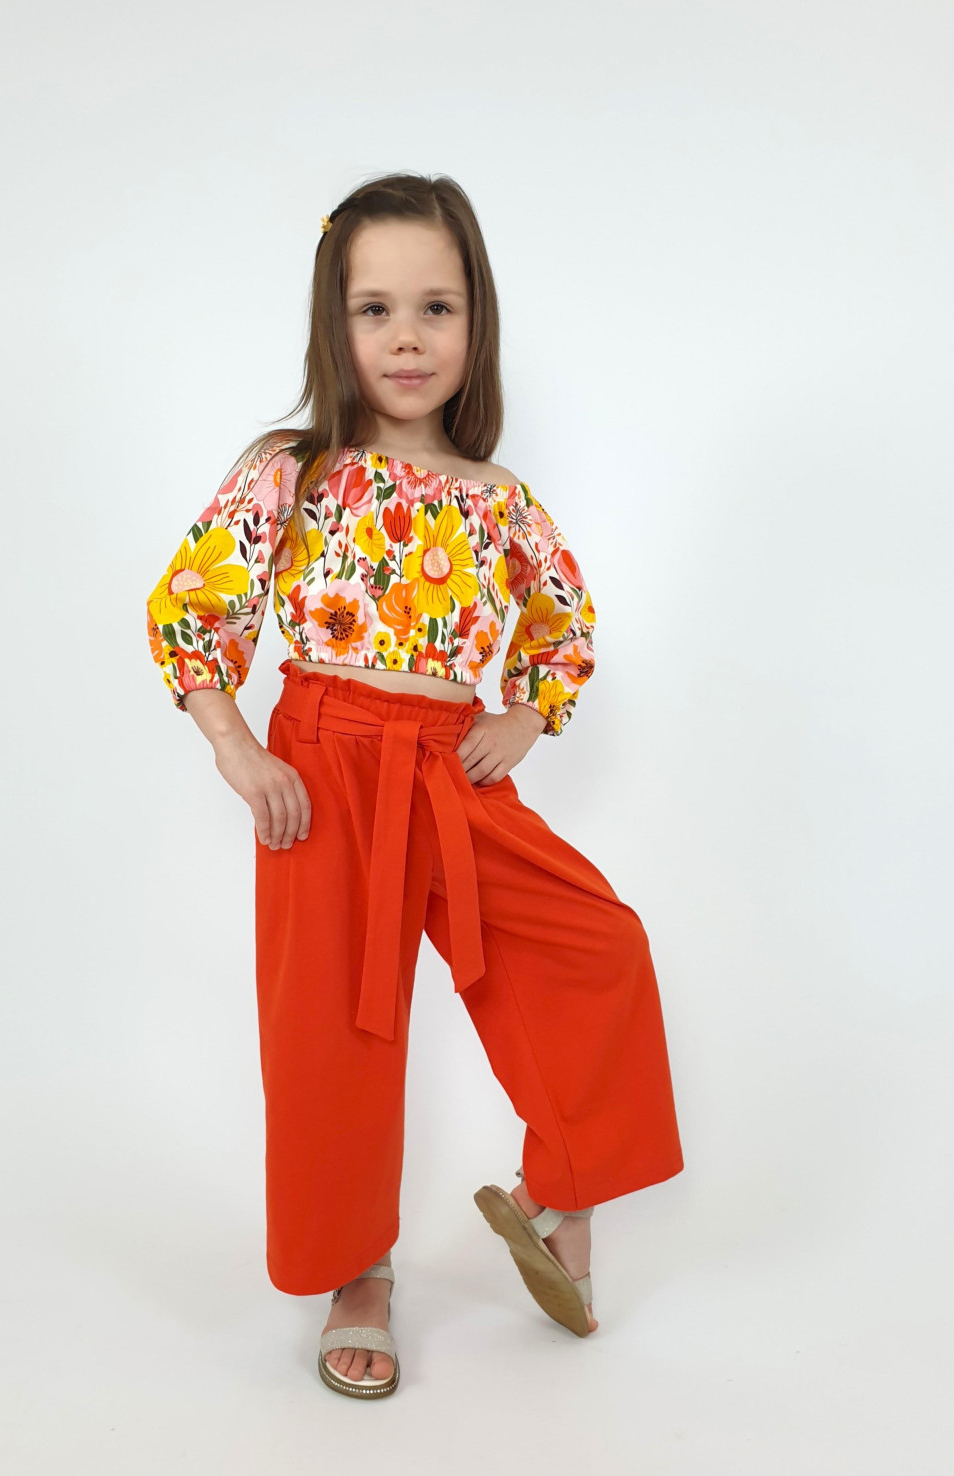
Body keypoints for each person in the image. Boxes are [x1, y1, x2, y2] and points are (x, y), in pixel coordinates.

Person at [145, 171, 684, 1399]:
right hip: (324, 763)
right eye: (373, 308)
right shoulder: (293, 468)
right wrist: (239, 750)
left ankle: (557, 1198)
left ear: (473, 323)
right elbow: (192, 608)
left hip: (449, 773)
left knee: (596, 946)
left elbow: (561, 626)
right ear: (332, 323)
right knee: (334, 1028)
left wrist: (524, 716)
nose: (404, 337)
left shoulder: (497, 501)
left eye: (434, 308)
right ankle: (356, 1272)